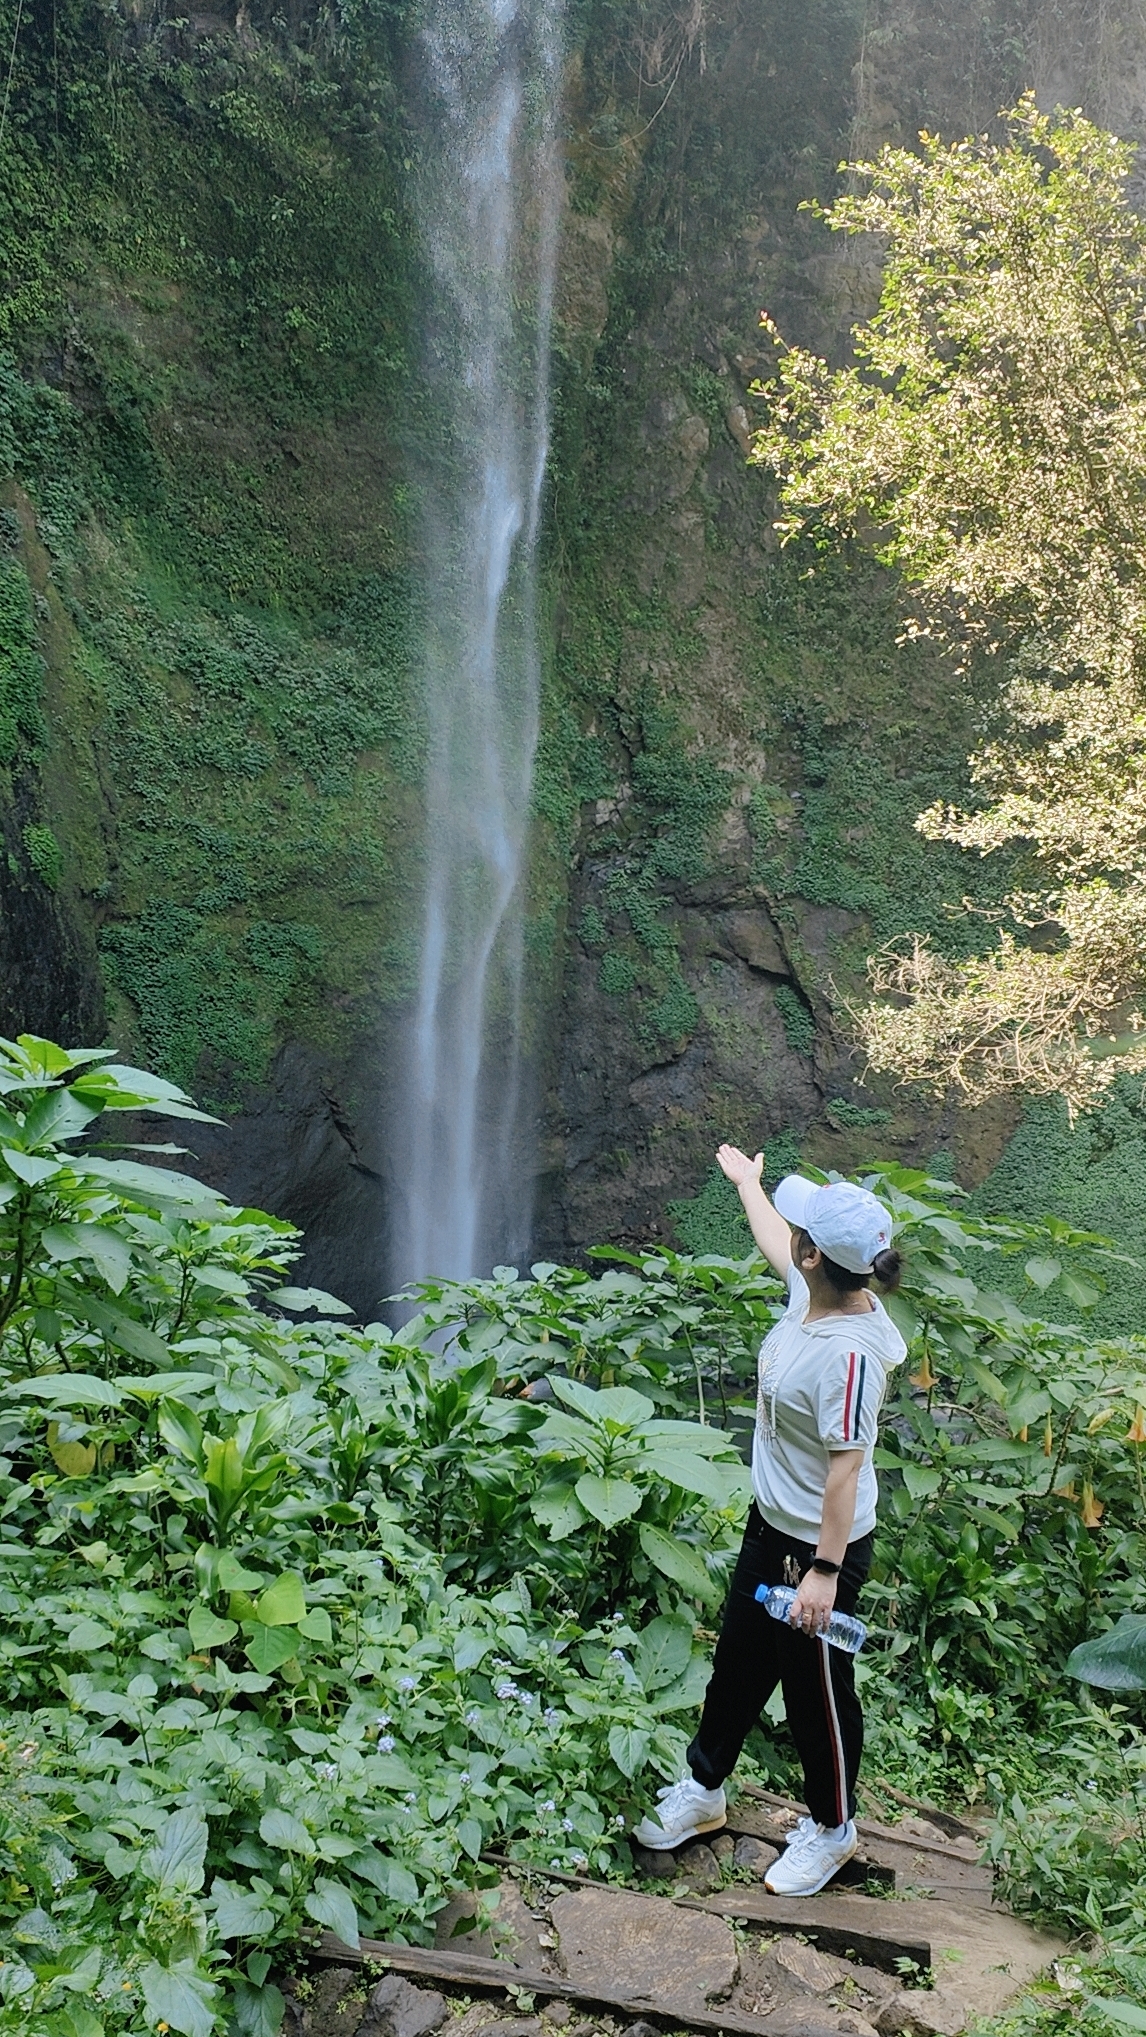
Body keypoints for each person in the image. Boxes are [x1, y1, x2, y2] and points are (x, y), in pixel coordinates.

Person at [633, 1150, 906, 1896]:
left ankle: (833, 1827)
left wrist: (822, 1571)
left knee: (815, 1688)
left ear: (815, 1254)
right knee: (739, 1663)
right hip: (773, 1526)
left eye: (801, 1227)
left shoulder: (848, 1357)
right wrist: (748, 1184)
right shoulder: (816, 1295)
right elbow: (772, 1239)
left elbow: (845, 1471)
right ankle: (706, 1789)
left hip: (820, 1549)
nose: (789, 1232)